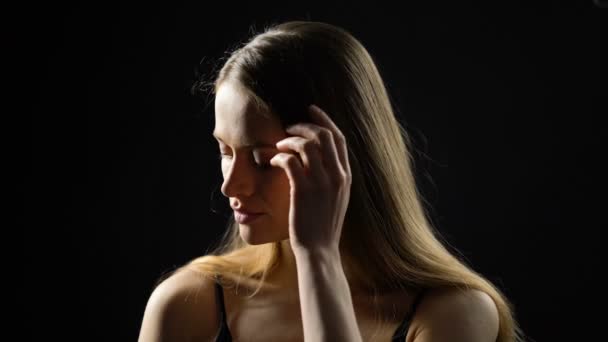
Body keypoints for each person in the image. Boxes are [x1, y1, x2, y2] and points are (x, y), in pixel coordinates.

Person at [138, 20, 525, 342]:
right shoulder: (188, 304)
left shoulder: (454, 313)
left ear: (344, 159)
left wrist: (317, 255)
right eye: (225, 151)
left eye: (264, 160)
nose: (231, 186)